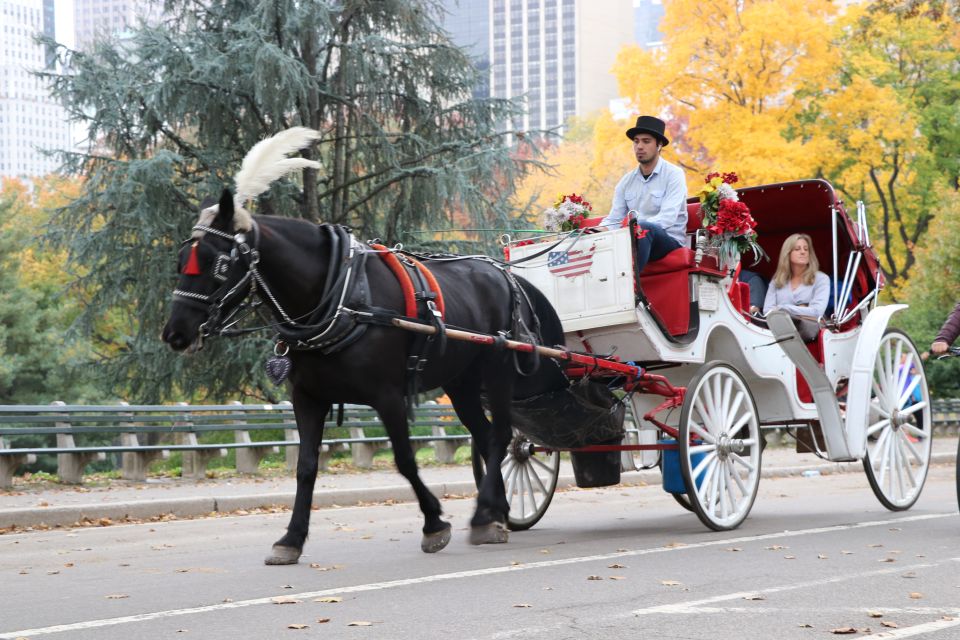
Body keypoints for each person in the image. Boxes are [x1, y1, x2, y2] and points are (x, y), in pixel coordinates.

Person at [589, 115, 688, 274]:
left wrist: (632, 229)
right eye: (636, 141)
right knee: (597, 238)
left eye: (646, 141)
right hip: (633, 238)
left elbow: (667, 218)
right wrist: (595, 232)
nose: (639, 146)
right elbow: (614, 219)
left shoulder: (674, 174)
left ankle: (632, 288)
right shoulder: (625, 182)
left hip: (668, 241)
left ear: (659, 145)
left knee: (644, 228)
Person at [762, 233, 830, 342]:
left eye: (806, 249)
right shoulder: (777, 281)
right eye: (797, 249)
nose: (803, 252)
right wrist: (803, 309)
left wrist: (783, 308)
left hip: (808, 334)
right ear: (787, 254)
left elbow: (817, 312)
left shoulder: (821, 279)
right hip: (779, 334)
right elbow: (767, 312)